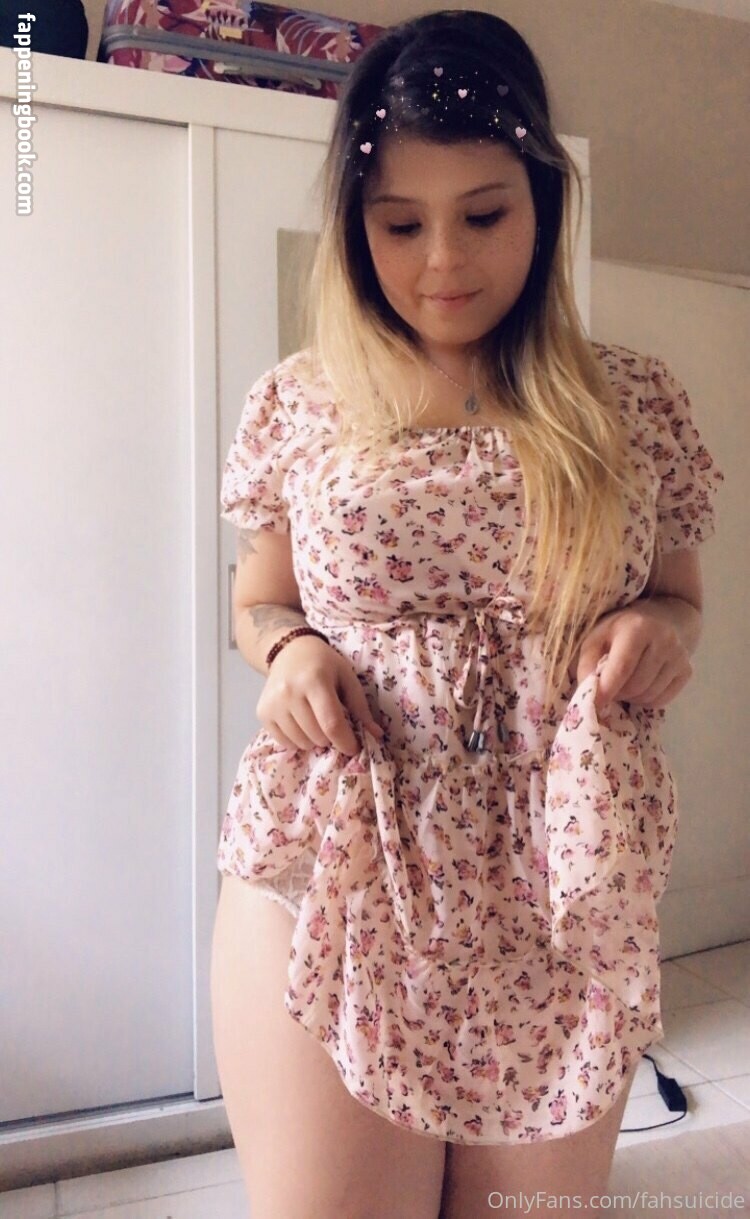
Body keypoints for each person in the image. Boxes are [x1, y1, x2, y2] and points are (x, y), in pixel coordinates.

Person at [210, 10, 725, 1218]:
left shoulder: (632, 404)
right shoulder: (302, 402)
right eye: (401, 223)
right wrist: (287, 650)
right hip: (338, 864)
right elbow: (261, 597)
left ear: (543, 200)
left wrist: (664, 630)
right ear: (356, 224)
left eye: (484, 214)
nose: (443, 260)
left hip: (558, 883)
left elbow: (680, 596)